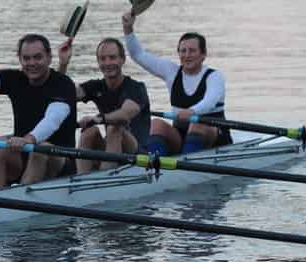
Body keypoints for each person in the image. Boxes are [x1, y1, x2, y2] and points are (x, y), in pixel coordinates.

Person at [0, 28, 78, 189]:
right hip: (23, 153)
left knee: (39, 150)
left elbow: (53, 119)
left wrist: (29, 139)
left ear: (49, 58)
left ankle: (22, 201)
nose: (31, 63)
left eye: (38, 57)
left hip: (60, 160)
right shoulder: (15, 79)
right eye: (26, 58)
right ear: (20, 60)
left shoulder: (63, 84)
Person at [122, 11, 229, 155]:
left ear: (203, 54)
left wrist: (192, 112)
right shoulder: (171, 72)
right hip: (182, 138)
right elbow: (138, 55)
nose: (187, 55)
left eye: (192, 51)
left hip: (215, 138)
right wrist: (128, 29)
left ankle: (183, 168)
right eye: (183, 51)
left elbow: (210, 101)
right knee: (156, 124)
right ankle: (157, 167)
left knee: (197, 125)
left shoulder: (215, 76)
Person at [58, 36, 152, 172]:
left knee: (115, 127)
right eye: (103, 59)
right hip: (112, 147)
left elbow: (125, 115)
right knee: (89, 132)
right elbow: (62, 95)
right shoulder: (96, 86)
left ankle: (104, 177)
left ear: (122, 60)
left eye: (112, 57)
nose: (107, 63)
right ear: (98, 62)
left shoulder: (136, 88)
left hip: (137, 152)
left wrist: (99, 119)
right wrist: (63, 64)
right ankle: (82, 179)